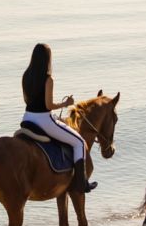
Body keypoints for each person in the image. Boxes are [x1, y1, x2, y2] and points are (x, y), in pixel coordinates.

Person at [20, 42, 94, 191]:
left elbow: (27, 100)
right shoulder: (48, 79)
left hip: (27, 118)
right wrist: (65, 103)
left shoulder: (26, 75)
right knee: (79, 142)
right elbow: (48, 106)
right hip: (44, 120)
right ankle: (82, 183)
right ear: (47, 59)